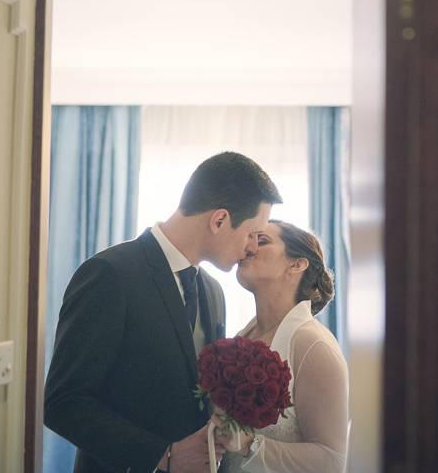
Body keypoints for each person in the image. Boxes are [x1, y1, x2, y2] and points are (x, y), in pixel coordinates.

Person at [45, 152, 283, 473]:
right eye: (253, 233)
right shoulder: (110, 274)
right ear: (219, 220)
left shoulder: (213, 292)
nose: (253, 247)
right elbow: (64, 403)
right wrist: (162, 454)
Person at [219, 220, 349, 473]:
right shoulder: (243, 336)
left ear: (297, 264)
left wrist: (249, 444)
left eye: (262, 240)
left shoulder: (313, 345)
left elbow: (332, 460)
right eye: (250, 238)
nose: (249, 247)